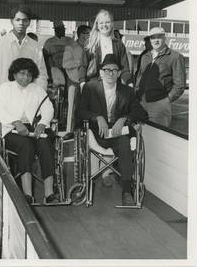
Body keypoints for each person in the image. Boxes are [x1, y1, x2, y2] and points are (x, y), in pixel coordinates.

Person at [75, 53, 146, 206]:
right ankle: (92, 180)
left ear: (119, 73)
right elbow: (79, 111)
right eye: (107, 70)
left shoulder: (126, 91)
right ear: (101, 72)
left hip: (117, 134)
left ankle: (127, 191)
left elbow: (141, 112)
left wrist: (124, 119)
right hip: (96, 133)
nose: (111, 73)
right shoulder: (90, 87)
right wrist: (97, 117)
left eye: (115, 70)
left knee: (125, 145)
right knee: (102, 138)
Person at [0, 58, 58, 205]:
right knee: (25, 146)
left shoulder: (37, 89)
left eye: (29, 74)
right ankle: (27, 194)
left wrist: (42, 123)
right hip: (11, 130)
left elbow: (48, 109)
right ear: (14, 74)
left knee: (46, 145)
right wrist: (16, 122)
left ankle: (49, 193)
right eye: (22, 73)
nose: (25, 78)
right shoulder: (6, 88)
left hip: (34, 129)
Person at [0, 4, 48, 103]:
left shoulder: (36, 47)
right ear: (11, 21)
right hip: (4, 100)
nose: (21, 23)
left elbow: (41, 75)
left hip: (28, 101)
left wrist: (38, 95)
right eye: (17, 20)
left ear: (29, 22)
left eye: (25, 20)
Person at [134, 27, 186, 127]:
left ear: (164, 38)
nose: (156, 40)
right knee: (140, 135)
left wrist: (166, 100)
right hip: (141, 103)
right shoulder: (145, 56)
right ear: (150, 40)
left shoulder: (175, 57)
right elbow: (139, 76)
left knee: (159, 137)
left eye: (159, 37)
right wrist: (136, 92)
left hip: (159, 105)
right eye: (153, 38)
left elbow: (180, 84)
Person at [78, 10, 133, 91]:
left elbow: (124, 68)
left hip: (114, 88)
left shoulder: (119, 45)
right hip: (93, 88)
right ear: (97, 25)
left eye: (107, 22)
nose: (104, 25)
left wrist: (129, 83)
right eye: (101, 23)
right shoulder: (90, 44)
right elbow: (83, 66)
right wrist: (82, 83)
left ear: (112, 24)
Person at [62, 25, 91, 140]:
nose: (89, 36)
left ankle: (86, 131)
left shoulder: (91, 47)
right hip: (74, 81)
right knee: (72, 107)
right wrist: (79, 62)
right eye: (87, 34)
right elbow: (65, 64)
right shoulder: (70, 47)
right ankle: (69, 131)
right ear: (81, 34)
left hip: (88, 81)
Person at [43, 20, 73, 86]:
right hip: (54, 69)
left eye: (64, 29)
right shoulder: (49, 42)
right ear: (56, 30)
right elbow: (45, 56)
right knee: (55, 87)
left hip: (67, 68)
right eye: (61, 29)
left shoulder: (69, 40)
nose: (63, 31)